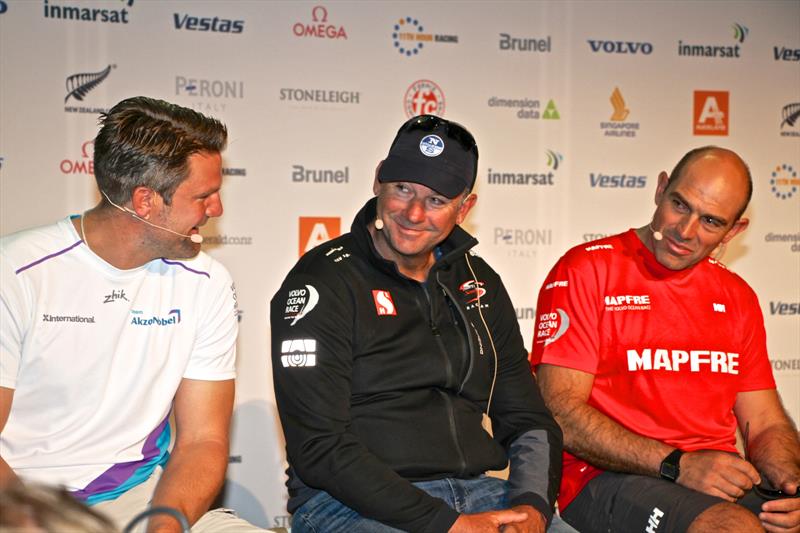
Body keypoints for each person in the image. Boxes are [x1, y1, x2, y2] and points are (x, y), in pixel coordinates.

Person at [271, 115, 569, 533]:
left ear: (464, 208)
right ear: (378, 181)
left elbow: (527, 418)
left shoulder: (479, 282)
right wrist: (446, 524)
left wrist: (531, 508)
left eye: (436, 200)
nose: (412, 213)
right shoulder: (322, 281)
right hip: (349, 506)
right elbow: (320, 448)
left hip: (481, 493)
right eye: (403, 189)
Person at [0, 97, 263, 532]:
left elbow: (203, 440)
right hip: (24, 502)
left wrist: (164, 527)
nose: (217, 209)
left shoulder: (207, 281)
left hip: (140, 499)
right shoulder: (16, 272)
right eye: (203, 196)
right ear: (144, 201)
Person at [531, 146, 800, 533]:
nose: (685, 231)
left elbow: (764, 423)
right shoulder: (588, 269)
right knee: (732, 528)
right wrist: (678, 465)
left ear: (734, 230)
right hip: (603, 480)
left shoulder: (737, 295)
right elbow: (560, 411)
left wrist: (792, 487)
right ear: (660, 189)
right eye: (680, 204)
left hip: (714, 480)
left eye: (710, 221)